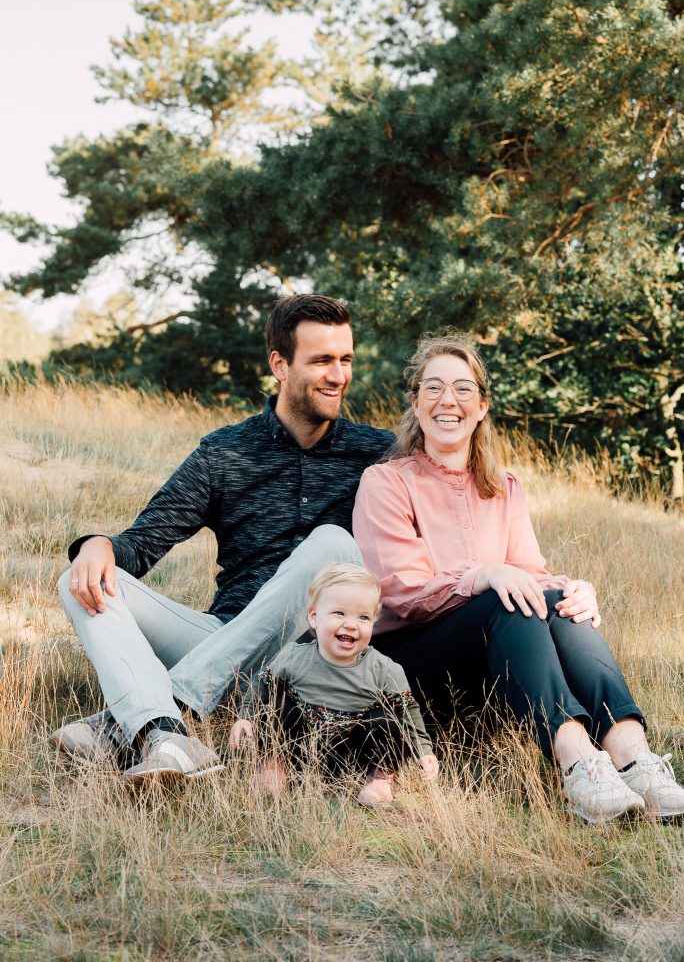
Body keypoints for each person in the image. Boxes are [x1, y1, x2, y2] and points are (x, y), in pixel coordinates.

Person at [51, 294, 393, 786]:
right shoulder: (225, 451)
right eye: (321, 361)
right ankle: (164, 734)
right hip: (222, 639)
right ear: (279, 363)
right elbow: (145, 543)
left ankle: (146, 715)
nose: (338, 375)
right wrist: (97, 545)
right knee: (81, 579)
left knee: (333, 544)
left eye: (345, 360)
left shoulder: (379, 454)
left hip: (312, 661)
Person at [353, 332, 684, 823]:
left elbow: (531, 573)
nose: (449, 401)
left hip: (500, 656)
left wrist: (575, 590)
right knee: (511, 599)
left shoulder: (504, 487)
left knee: (556, 599)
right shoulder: (386, 482)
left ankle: (633, 758)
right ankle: (578, 764)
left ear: (482, 406)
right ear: (417, 404)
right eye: (434, 388)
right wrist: (482, 574)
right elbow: (399, 592)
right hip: (412, 663)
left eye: (464, 389)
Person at [229, 562, 439, 806]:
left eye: (363, 617)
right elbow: (261, 685)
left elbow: (409, 713)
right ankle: (274, 766)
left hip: (355, 753)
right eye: (339, 613)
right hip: (303, 748)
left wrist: (424, 751)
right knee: (278, 702)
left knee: (389, 719)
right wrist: (245, 716)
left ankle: (379, 779)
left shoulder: (384, 669)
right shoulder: (293, 657)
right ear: (314, 618)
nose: (351, 624)